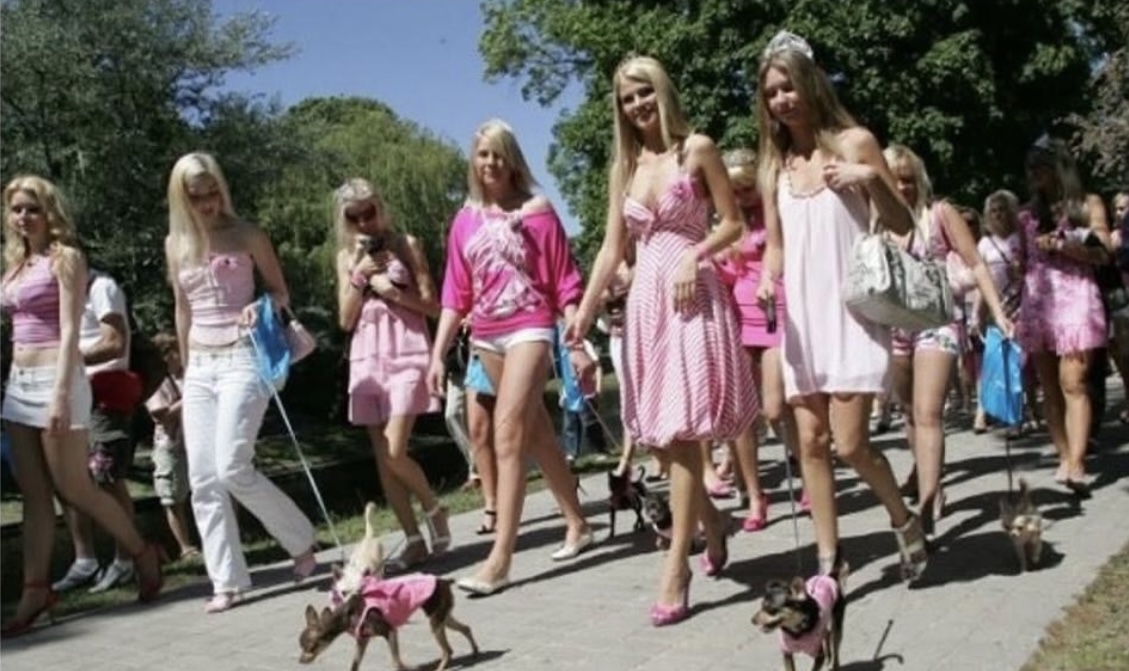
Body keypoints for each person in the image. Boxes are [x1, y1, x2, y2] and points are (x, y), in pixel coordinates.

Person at [566, 55, 757, 626]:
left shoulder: (696, 149)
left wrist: (696, 255)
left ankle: (677, 567)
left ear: (662, 91)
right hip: (647, 301)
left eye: (644, 92)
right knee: (661, 440)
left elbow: (732, 222)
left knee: (685, 430)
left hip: (691, 295)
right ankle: (714, 524)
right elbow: (611, 248)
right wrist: (584, 310)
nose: (637, 105)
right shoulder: (625, 166)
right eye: (627, 98)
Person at [752, 32, 927, 580]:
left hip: (852, 314)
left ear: (811, 83)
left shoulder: (855, 143)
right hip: (802, 321)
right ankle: (829, 559)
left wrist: (869, 178)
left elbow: (903, 226)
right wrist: (766, 277)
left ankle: (903, 519)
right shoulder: (775, 167)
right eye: (771, 92)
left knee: (851, 444)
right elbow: (776, 244)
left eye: (788, 87)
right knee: (810, 441)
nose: (782, 100)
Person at [426, 119, 594, 596]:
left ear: (514, 160)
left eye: (499, 153)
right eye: (483, 154)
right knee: (538, 433)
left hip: (531, 327)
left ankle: (499, 559)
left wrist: (576, 342)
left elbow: (564, 280)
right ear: (473, 161)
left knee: (507, 434)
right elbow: (455, 293)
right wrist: (438, 354)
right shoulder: (465, 220)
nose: (491, 162)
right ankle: (578, 523)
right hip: (486, 334)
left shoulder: (537, 211)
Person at [1, 176, 162, 638]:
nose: (24, 217)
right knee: (34, 495)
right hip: (19, 383)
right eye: (16, 209)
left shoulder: (65, 258)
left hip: (58, 378)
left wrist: (60, 392)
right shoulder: (14, 264)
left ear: (49, 211)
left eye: (32, 208)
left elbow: (71, 328)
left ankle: (142, 551)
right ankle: (35, 590)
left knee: (75, 487)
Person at [165, 152, 317, 613]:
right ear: (181, 198)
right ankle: (226, 580)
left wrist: (260, 305)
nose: (208, 203)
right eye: (197, 196)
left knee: (232, 465)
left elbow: (280, 291)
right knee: (203, 477)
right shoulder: (175, 242)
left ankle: (301, 541)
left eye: (213, 192)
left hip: (244, 356)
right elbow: (182, 309)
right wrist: (185, 372)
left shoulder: (247, 234)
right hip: (200, 364)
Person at [882, 144, 1014, 535]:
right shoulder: (872, 219)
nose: (901, 187)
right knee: (909, 413)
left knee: (928, 413)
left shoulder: (939, 213)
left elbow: (976, 263)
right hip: (892, 328)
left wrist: (998, 313)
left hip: (937, 323)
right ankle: (930, 481)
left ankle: (926, 507)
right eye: (893, 180)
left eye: (908, 179)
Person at [333, 177, 451, 571]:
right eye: (354, 217)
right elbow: (345, 320)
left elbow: (435, 307)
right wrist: (359, 275)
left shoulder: (406, 244)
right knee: (384, 458)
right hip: (368, 356)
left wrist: (394, 293)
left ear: (381, 207)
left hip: (407, 351)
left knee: (395, 448)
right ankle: (414, 539)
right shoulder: (346, 257)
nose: (365, 222)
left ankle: (433, 508)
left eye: (369, 212)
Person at [714, 148, 803, 531]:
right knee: (741, 416)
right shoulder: (729, 223)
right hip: (738, 318)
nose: (741, 196)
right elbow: (732, 275)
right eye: (734, 190)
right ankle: (755, 495)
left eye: (747, 188)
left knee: (775, 407)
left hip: (774, 315)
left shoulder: (777, 214)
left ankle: (810, 471)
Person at [1017, 137, 1110, 494]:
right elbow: (1023, 261)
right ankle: (1064, 454)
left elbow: (1103, 253)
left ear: (1060, 168)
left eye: (1042, 167)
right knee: (1049, 387)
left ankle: (1078, 463)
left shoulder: (1087, 205)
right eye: (1032, 169)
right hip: (1039, 302)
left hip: (1076, 299)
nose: (1036, 175)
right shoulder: (1027, 214)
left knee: (1074, 381)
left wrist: (1062, 245)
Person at [52, 268, 145, 594]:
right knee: (69, 479)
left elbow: (114, 343)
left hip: (105, 394)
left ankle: (126, 559)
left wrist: (66, 360)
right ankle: (85, 560)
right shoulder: (65, 293)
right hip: (75, 393)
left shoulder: (101, 287)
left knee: (106, 477)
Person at [146, 332, 200, 559]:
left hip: (196, 440)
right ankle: (186, 547)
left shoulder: (189, 375)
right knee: (173, 497)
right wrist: (190, 398)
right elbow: (161, 414)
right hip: (171, 444)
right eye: (176, 352)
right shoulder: (155, 382)